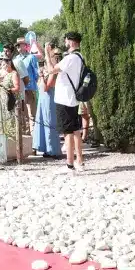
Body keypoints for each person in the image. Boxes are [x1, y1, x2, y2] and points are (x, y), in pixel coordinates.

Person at [47, 32, 85, 172]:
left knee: (67, 133)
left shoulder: (70, 58)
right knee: (75, 131)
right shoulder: (80, 57)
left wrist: (47, 53)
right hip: (73, 98)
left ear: (71, 41)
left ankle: (70, 165)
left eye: (66, 40)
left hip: (64, 99)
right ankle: (80, 161)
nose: (65, 42)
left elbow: (51, 70)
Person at [33, 44, 62, 158]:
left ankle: (53, 149)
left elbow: (46, 87)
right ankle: (45, 148)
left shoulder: (54, 72)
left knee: (49, 124)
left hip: (50, 100)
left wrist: (41, 76)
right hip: (43, 100)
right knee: (42, 123)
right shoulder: (49, 70)